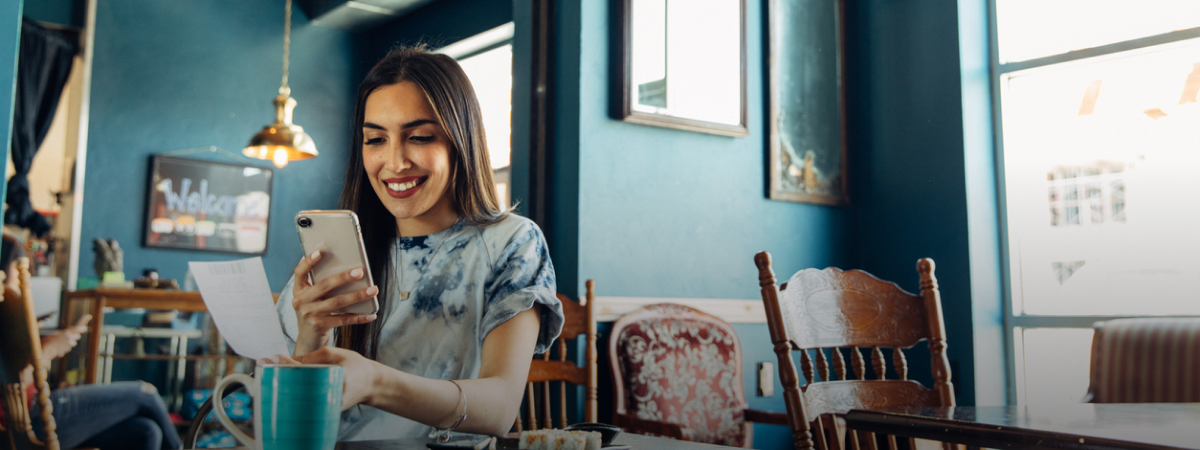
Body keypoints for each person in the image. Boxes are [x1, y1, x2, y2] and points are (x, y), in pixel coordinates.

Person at [268, 45, 564, 441]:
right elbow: (291, 424)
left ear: (461, 139)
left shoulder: (511, 242)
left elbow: (500, 408)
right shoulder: (339, 248)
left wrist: (374, 381)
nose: (394, 162)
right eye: (375, 140)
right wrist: (313, 336)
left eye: (420, 137)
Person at [0, 234, 183, 450]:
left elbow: (18, 377)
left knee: (145, 431)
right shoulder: (7, 308)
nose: (23, 284)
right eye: (18, 275)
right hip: (29, 419)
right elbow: (11, 386)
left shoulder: (8, 312)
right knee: (145, 394)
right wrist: (47, 350)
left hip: (37, 406)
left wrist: (37, 345)